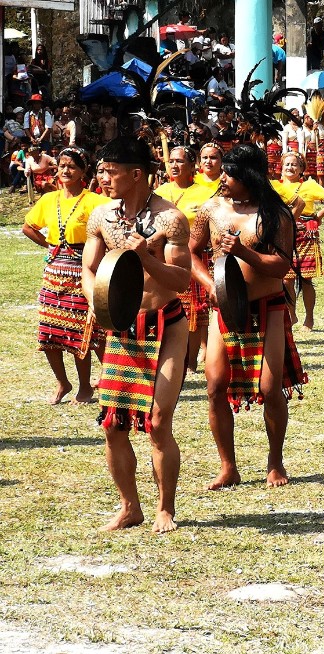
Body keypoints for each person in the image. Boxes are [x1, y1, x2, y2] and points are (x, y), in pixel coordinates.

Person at [81, 137, 191, 533]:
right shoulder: (101, 217)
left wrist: (146, 256)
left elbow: (181, 281)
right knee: (113, 424)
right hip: (122, 326)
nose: (103, 177)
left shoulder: (170, 219)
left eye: (110, 171)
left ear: (136, 174)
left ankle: (165, 508)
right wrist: (96, 303)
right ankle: (130, 507)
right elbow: (89, 270)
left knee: (159, 421)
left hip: (166, 325)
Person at [189, 144, 308, 490]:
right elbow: (192, 253)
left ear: (249, 177)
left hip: (267, 307)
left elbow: (283, 264)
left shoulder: (275, 214)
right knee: (214, 387)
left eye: (230, 173)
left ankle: (275, 460)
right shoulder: (210, 209)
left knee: (271, 389)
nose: (222, 178)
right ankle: (228, 466)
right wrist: (209, 283)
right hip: (224, 308)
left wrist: (243, 252)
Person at [22, 146, 108, 404]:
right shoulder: (49, 199)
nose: (66, 171)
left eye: (72, 166)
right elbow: (28, 227)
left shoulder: (95, 201)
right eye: (61, 166)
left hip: (82, 273)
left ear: (83, 171)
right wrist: (50, 245)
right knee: (49, 332)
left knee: (79, 332)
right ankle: (63, 382)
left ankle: (85, 387)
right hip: (54, 272)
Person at [155, 145, 221, 370]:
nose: (174, 165)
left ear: (192, 166)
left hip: (193, 256)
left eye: (180, 161)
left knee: (194, 312)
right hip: (162, 257)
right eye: (171, 161)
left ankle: (190, 361)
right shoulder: (159, 192)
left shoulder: (206, 193)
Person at [275, 151, 324, 330]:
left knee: (306, 280)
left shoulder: (310, 186)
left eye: (294, 164)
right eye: (287, 164)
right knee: (286, 280)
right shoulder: (274, 186)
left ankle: (310, 318)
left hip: (306, 234)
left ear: (301, 169)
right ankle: (291, 315)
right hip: (283, 234)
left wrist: (317, 217)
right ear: (281, 168)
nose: (290, 167)